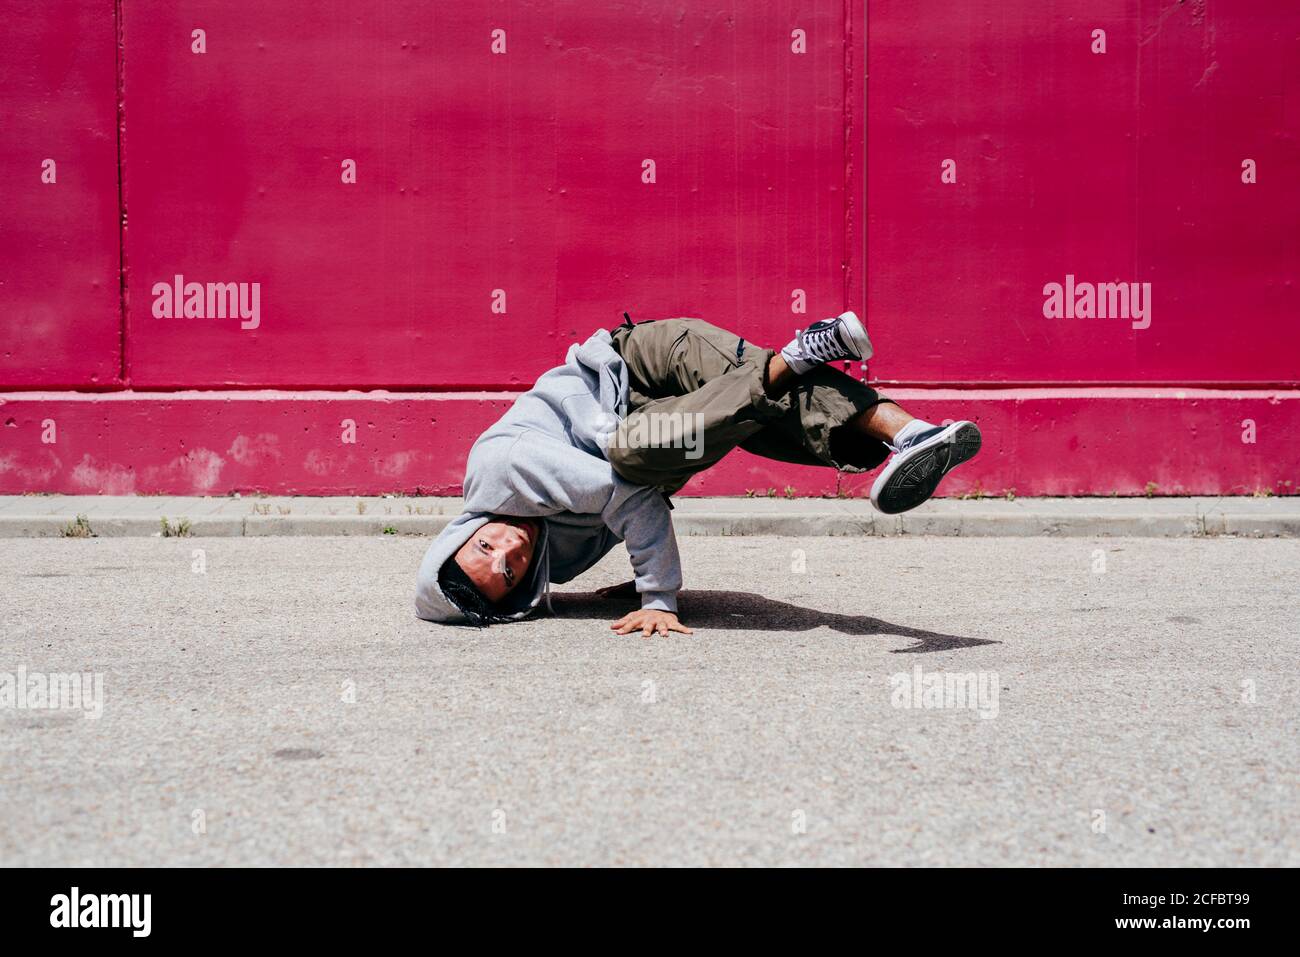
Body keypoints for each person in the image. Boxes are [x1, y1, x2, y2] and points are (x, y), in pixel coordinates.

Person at [415, 312, 980, 635]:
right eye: (509, 572)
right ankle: (912, 436)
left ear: (463, 531)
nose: (509, 550)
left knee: (632, 457)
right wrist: (633, 586)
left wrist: (657, 596)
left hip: (643, 365)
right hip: (666, 427)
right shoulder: (548, 565)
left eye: (486, 545)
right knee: (774, 410)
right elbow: (621, 511)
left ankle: (797, 356)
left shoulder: (503, 472)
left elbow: (629, 498)